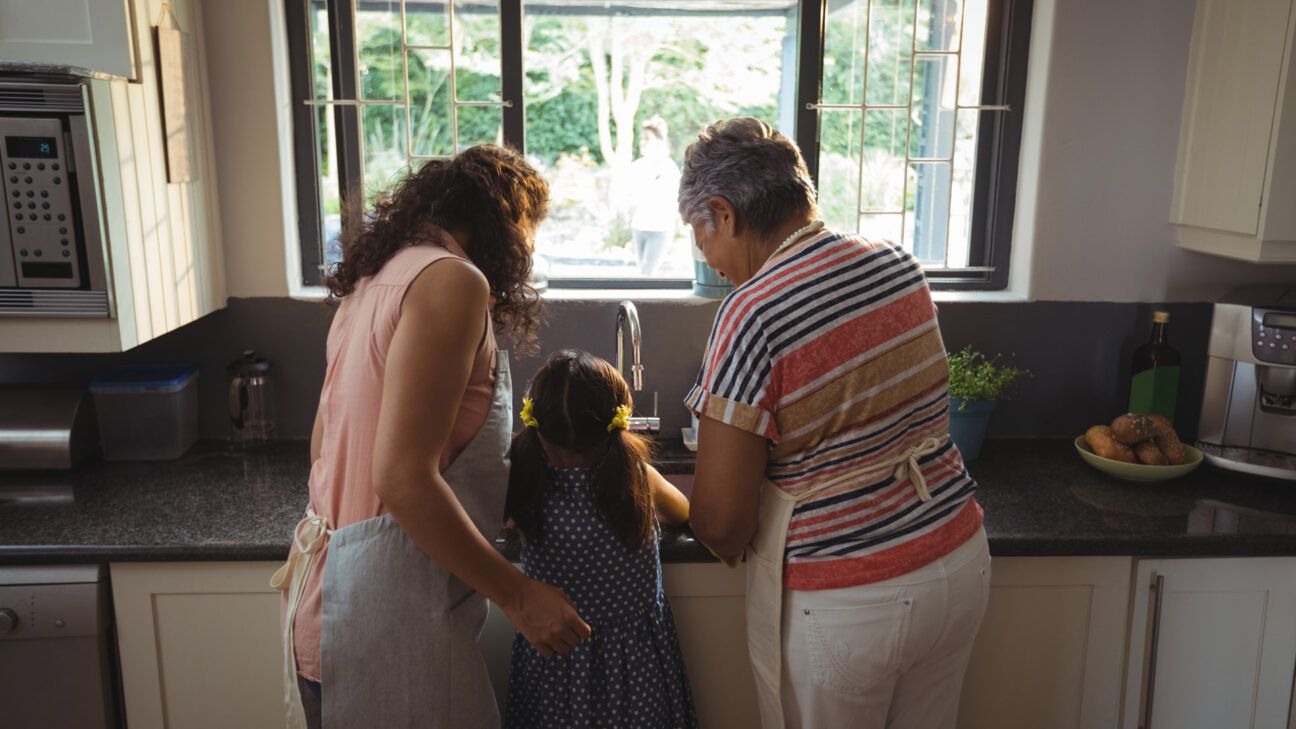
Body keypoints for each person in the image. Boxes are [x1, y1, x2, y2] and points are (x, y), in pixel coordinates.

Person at [679, 118, 990, 729]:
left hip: (853, 602)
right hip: (957, 562)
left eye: (698, 232)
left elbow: (721, 521)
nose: (704, 256)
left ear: (723, 213)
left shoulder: (752, 311)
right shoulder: (896, 261)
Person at [272, 145, 592, 729]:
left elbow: (326, 445)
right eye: (529, 229)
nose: (529, 249)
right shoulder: (452, 282)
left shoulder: (372, 281)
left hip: (328, 603)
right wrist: (518, 595)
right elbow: (399, 477)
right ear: (503, 223)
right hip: (386, 615)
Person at [503, 350, 699, 729]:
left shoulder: (523, 486)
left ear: (537, 429)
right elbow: (685, 513)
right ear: (617, 423)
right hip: (636, 667)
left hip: (553, 660)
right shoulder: (638, 478)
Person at [627, 117, 681, 276]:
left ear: (659, 141)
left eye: (647, 139)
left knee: (647, 272)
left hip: (660, 228)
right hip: (638, 226)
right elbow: (631, 195)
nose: (642, 142)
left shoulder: (668, 167)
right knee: (641, 271)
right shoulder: (637, 166)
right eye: (641, 139)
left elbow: (674, 198)